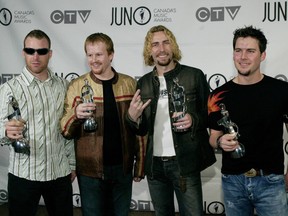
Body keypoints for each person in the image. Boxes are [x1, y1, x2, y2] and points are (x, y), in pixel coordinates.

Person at [126, 25, 216, 215]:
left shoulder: (194, 76)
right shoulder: (143, 83)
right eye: (155, 44)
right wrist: (132, 118)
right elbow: (142, 130)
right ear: (149, 50)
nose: (161, 49)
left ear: (173, 46)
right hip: (154, 166)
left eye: (166, 42)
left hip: (185, 163)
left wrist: (193, 119)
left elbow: (211, 116)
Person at [60, 33, 145, 216]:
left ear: (111, 55)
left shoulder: (129, 84)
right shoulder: (77, 86)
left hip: (122, 170)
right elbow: (65, 130)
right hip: (89, 171)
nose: (93, 60)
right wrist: (75, 115)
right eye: (89, 55)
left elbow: (140, 129)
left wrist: (140, 164)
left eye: (98, 55)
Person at [208, 25, 288, 216]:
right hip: (232, 183)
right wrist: (219, 142)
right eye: (238, 50)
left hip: (271, 182)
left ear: (262, 55)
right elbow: (212, 139)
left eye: (250, 51)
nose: (243, 57)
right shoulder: (217, 96)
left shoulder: (282, 91)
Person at [0, 29, 76, 216]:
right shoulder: (8, 88)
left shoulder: (64, 86)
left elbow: (68, 128)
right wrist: (5, 131)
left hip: (59, 173)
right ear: (23, 52)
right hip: (23, 174)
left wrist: (72, 164)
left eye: (41, 51)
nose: (36, 56)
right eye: (30, 51)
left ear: (50, 54)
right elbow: (1, 128)